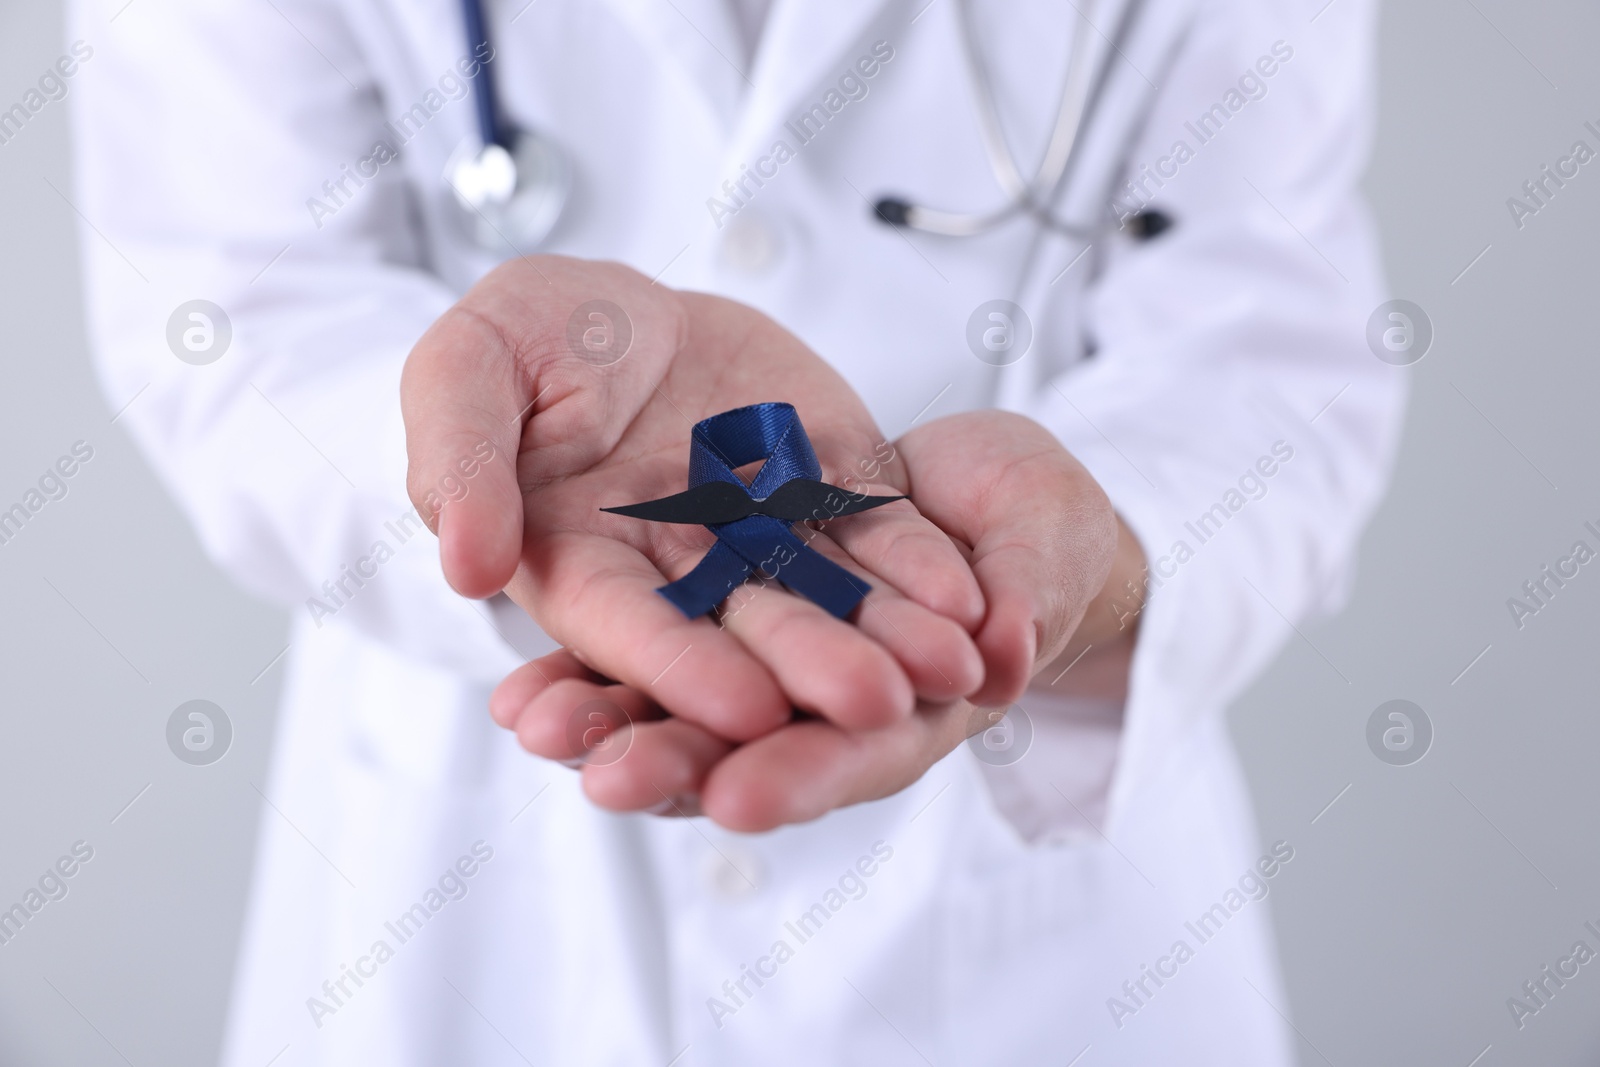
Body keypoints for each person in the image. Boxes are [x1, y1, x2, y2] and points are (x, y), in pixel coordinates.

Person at [70, 0, 1404, 1062]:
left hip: (1046, 958)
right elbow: (225, 310)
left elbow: (1270, 357)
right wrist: (469, 456)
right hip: (466, 907)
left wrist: (1103, 547)